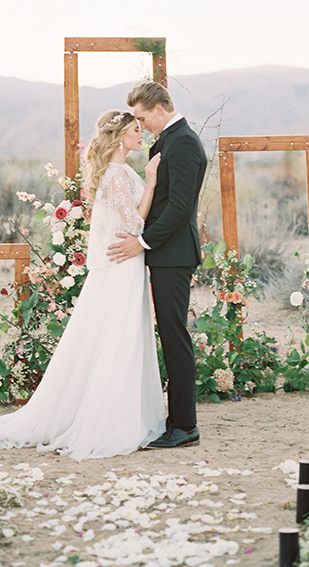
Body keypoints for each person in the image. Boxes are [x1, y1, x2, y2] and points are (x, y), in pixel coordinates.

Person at [0, 110, 166, 461]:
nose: (142, 136)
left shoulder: (116, 172)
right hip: (123, 264)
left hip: (122, 264)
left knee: (115, 337)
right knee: (119, 337)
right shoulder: (119, 175)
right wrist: (151, 182)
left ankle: (114, 410)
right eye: (137, 131)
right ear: (121, 137)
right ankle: (110, 420)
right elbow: (134, 223)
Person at [107, 82, 207, 449]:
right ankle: (177, 418)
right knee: (169, 333)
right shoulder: (170, 139)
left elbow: (180, 208)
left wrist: (142, 242)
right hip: (166, 254)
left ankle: (185, 426)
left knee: (174, 335)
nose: (142, 124)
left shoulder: (181, 142)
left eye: (144, 117)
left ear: (160, 109)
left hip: (173, 254)